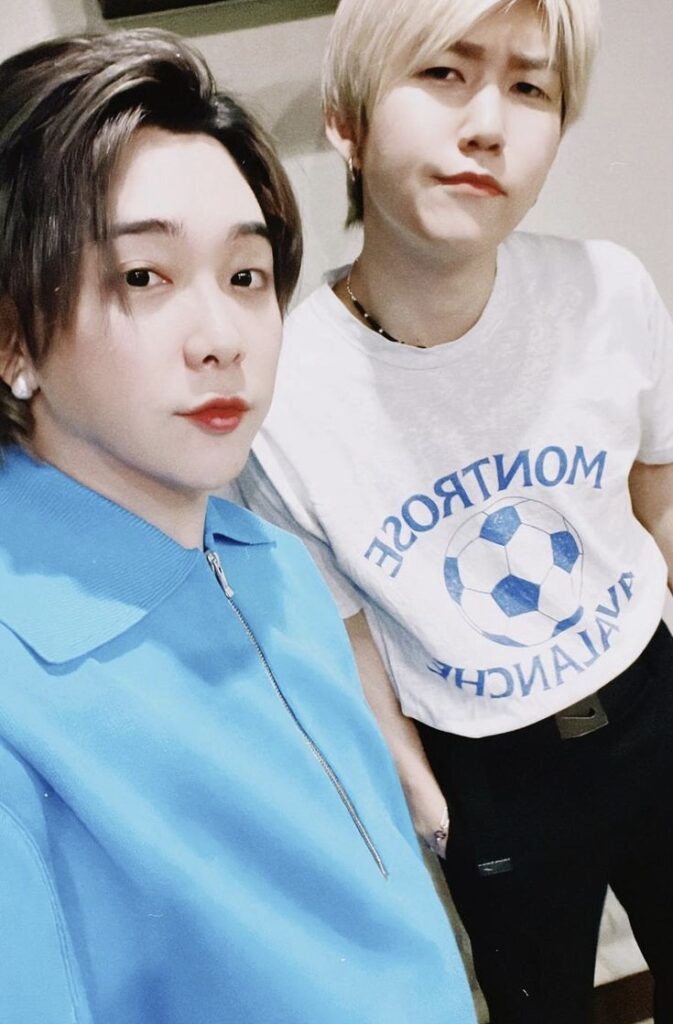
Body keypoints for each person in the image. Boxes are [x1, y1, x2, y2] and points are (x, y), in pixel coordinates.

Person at [0, 29, 477, 1024]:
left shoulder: (270, 563)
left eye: (247, 276)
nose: (222, 339)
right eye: (144, 276)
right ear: (13, 338)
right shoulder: (20, 695)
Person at [234, 0, 673, 1020]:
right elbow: (345, 627)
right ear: (346, 120)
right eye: (443, 72)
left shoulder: (607, 292)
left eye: (528, 86)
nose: (487, 124)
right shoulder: (284, 392)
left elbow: (658, 490)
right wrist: (421, 792)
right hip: (487, 774)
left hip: (649, 703)